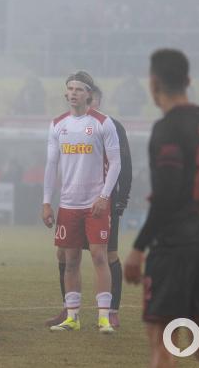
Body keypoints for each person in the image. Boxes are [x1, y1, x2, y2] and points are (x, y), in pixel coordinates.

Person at [124, 49, 199, 368]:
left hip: (175, 249)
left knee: (162, 343)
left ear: (153, 82)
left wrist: (138, 249)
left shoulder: (167, 129)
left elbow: (167, 197)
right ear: (188, 80)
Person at [45, 83, 132, 328]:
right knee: (65, 254)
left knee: (105, 254)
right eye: (72, 91)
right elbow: (54, 164)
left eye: (85, 94)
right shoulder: (64, 125)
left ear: (95, 99)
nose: (79, 98)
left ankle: (110, 311)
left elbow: (123, 165)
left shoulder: (110, 126)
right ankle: (69, 310)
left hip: (103, 201)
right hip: (72, 203)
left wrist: (119, 200)